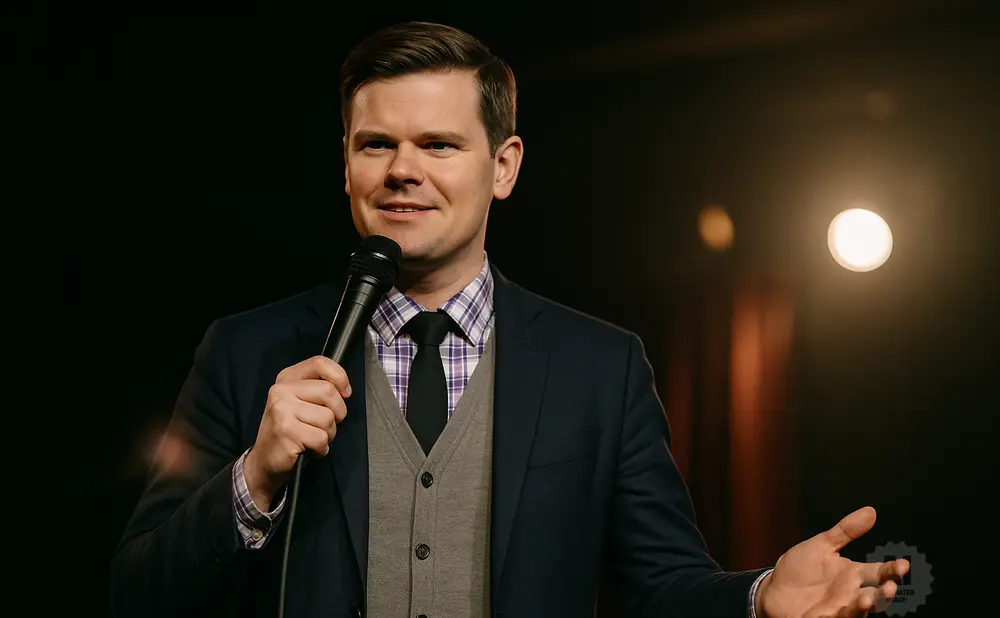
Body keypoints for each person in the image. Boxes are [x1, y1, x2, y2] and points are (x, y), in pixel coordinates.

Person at [110, 21, 909, 618]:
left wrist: (760, 596)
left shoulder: (601, 368)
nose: (402, 171)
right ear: (346, 163)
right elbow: (137, 592)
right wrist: (255, 478)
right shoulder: (248, 350)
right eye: (376, 144)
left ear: (503, 166)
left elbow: (663, 587)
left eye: (439, 145)